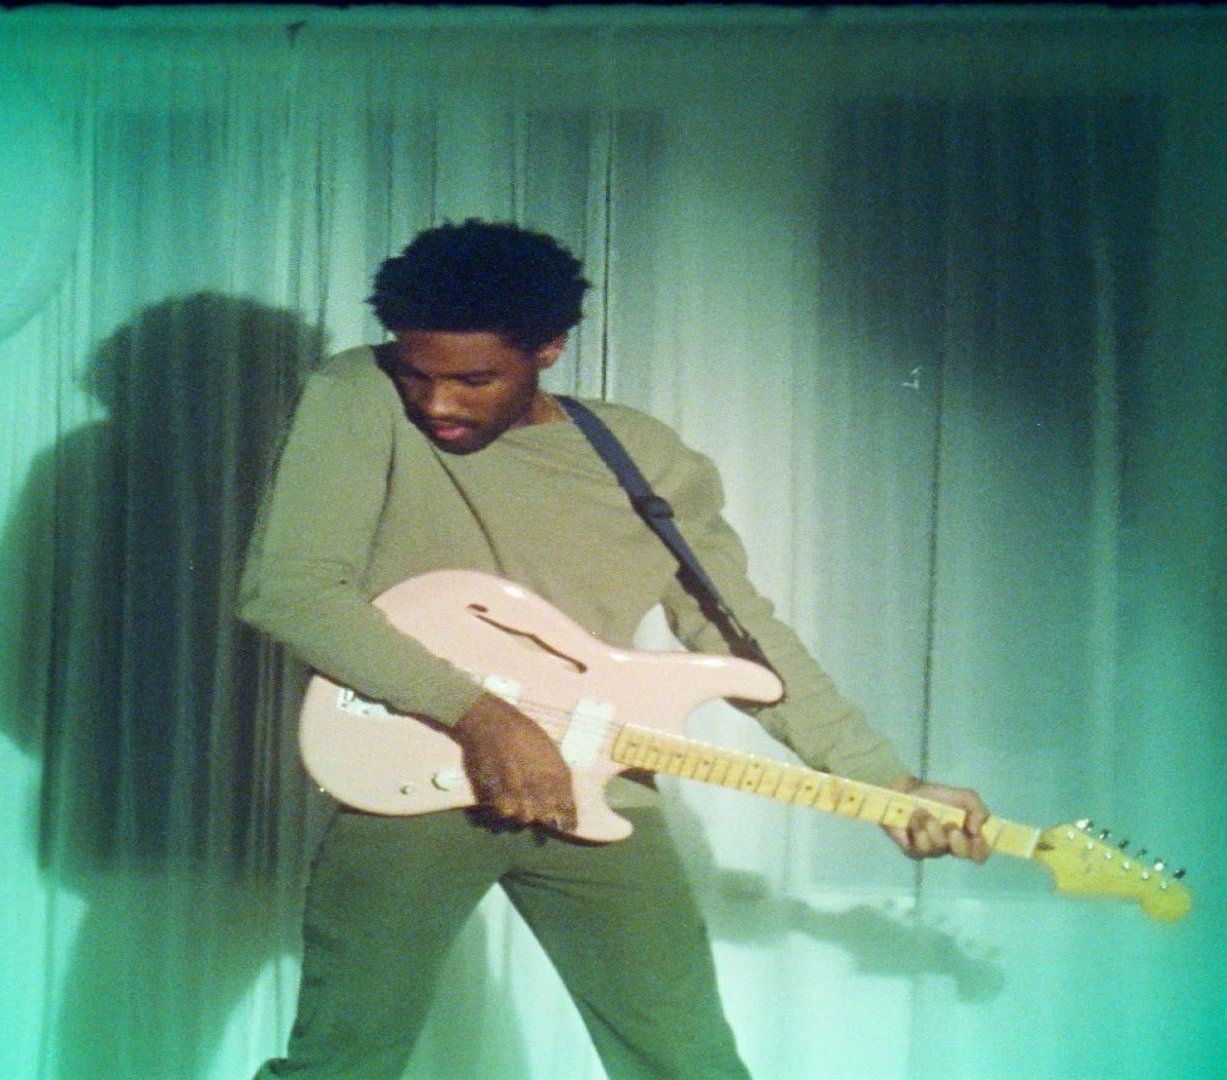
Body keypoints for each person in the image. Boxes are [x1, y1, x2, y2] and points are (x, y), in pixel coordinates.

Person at [238, 219, 990, 1079]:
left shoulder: (644, 458)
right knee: (341, 1067)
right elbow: (290, 590)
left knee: (690, 1065)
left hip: (596, 784)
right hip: (415, 776)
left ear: (549, 349)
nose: (436, 403)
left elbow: (737, 631)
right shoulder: (357, 393)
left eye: (475, 380)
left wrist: (886, 781)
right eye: (418, 371)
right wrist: (482, 718)